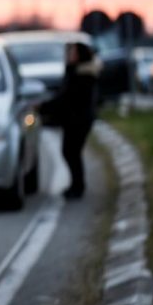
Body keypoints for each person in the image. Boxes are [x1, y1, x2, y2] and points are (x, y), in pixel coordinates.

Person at [42, 42, 101, 199]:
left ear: (80, 55)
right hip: (74, 119)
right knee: (71, 152)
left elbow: (66, 98)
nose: (69, 56)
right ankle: (76, 186)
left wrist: (44, 108)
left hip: (79, 120)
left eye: (73, 53)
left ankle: (78, 187)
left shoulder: (83, 75)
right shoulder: (76, 71)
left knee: (71, 152)